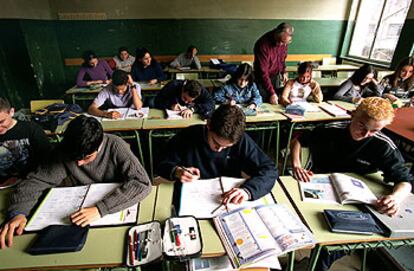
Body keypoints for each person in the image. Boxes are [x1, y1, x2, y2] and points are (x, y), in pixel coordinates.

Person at [290, 97, 414, 271]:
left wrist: (395, 198)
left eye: (374, 130)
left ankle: (316, 265)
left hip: (355, 200)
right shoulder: (331, 129)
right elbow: (299, 139)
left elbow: (405, 180)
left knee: (333, 243)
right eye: (362, 126)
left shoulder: (382, 145)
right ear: (353, 115)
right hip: (316, 187)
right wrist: (296, 165)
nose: (365, 134)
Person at [0, 115, 151, 249]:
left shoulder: (116, 146)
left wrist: (100, 209)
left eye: (86, 158)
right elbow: (36, 181)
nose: (78, 164)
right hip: (81, 215)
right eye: (75, 158)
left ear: (99, 146)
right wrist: (18, 212)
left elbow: (142, 183)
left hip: (114, 211)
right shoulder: (65, 150)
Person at [157, 104, 278, 207]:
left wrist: (247, 191)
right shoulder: (188, 135)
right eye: (216, 143)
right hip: (192, 198)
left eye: (226, 147)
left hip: (227, 200)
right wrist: (176, 171)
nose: (220, 150)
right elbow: (160, 162)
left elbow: (269, 169)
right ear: (208, 125)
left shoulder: (240, 140)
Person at [0, 96, 52, 187]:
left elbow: (47, 161)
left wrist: (21, 177)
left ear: (11, 112)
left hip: (31, 181)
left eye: (1, 122)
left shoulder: (31, 130)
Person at [254, 22, 294, 105]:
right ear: (276, 33)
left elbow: (282, 59)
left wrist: (283, 71)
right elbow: (263, 72)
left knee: (276, 103)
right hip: (262, 80)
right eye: (280, 42)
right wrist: (272, 93)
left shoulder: (284, 41)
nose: (282, 45)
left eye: (285, 43)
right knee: (264, 103)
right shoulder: (263, 45)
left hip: (275, 77)